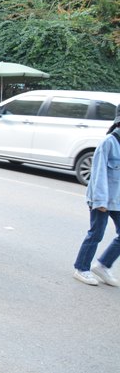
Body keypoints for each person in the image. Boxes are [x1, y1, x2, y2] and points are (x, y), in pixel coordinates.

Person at [73, 108, 120, 287]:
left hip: (117, 199)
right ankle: (81, 268)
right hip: (103, 199)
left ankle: (103, 265)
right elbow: (98, 174)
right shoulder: (109, 142)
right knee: (96, 234)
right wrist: (100, 201)